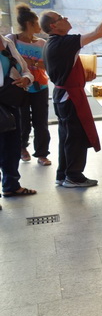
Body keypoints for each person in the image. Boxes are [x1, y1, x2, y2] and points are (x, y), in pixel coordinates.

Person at [40, 0, 102, 188]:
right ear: (53, 25)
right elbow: (99, 32)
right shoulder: (64, 42)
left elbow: (64, 69)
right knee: (76, 137)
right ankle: (73, 175)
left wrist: (81, 76)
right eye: (60, 17)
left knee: (67, 135)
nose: (65, 18)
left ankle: (63, 174)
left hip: (63, 95)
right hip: (69, 97)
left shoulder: (52, 43)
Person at [7, 4, 50, 166]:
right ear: (29, 24)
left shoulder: (41, 43)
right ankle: (22, 148)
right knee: (22, 121)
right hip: (20, 87)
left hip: (40, 86)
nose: (40, 27)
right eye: (37, 23)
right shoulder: (12, 40)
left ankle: (42, 153)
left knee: (41, 122)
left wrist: (33, 63)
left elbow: (47, 65)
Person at [0, 34, 37, 202]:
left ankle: (11, 186)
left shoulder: (7, 43)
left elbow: (26, 69)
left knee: (12, 147)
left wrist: (26, 79)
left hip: (10, 102)